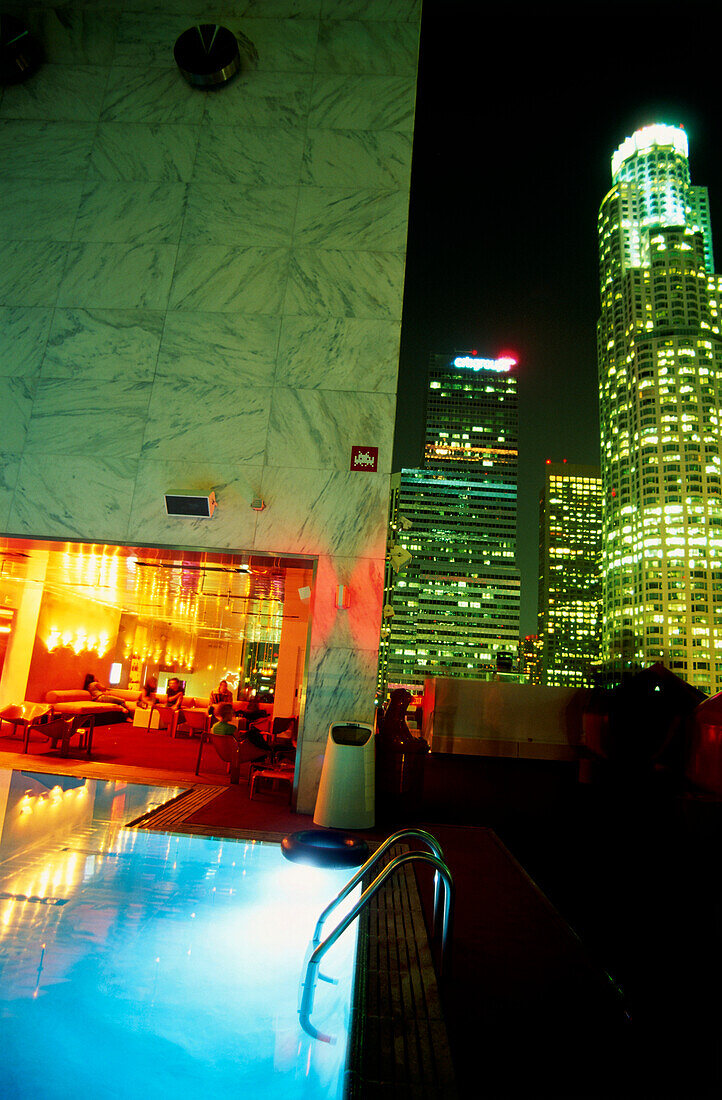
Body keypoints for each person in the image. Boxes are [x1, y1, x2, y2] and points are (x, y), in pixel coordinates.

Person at [211, 703, 267, 783]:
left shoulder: (214, 727)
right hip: (235, 753)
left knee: (253, 736)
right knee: (257, 743)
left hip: (222, 751)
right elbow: (237, 741)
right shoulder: (232, 728)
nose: (233, 715)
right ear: (227, 714)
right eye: (232, 713)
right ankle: (260, 771)